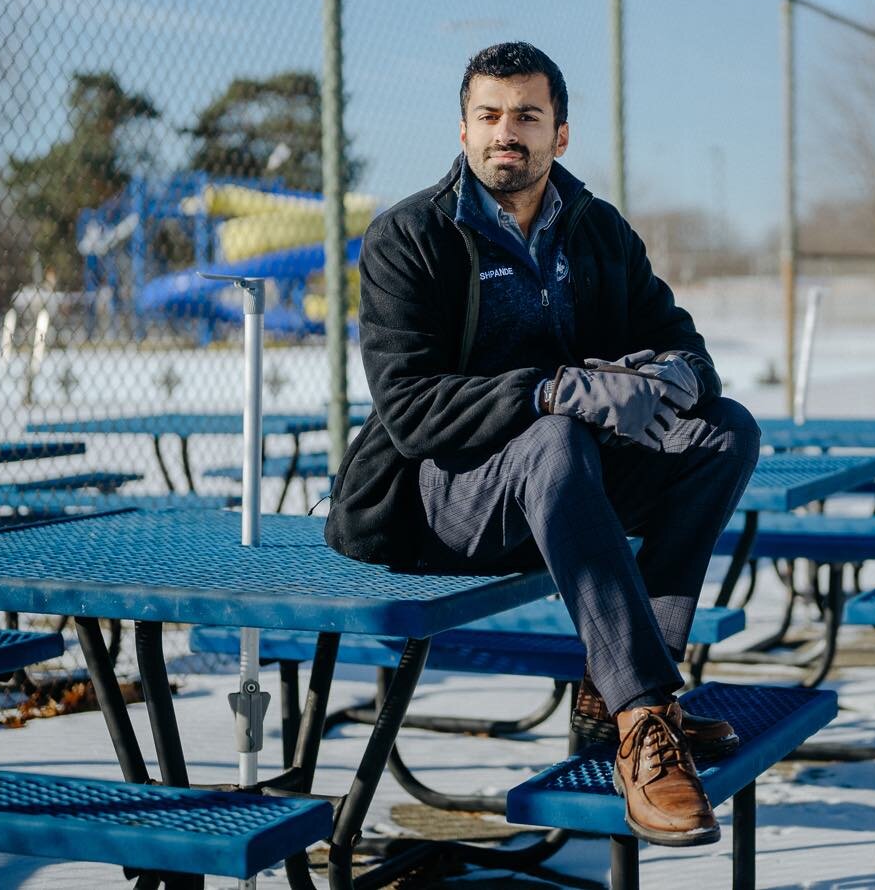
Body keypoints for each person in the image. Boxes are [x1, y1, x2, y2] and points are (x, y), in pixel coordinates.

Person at [325, 42, 761, 846]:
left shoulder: (595, 230)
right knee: (554, 437)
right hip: (447, 498)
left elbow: (686, 345)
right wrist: (552, 388)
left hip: (568, 487)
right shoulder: (408, 236)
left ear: (560, 134)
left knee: (724, 431)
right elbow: (409, 408)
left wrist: (668, 378)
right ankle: (643, 719)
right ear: (462, 130)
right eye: (488, 116)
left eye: (527, 116)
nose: (506, 133)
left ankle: (629, 690)